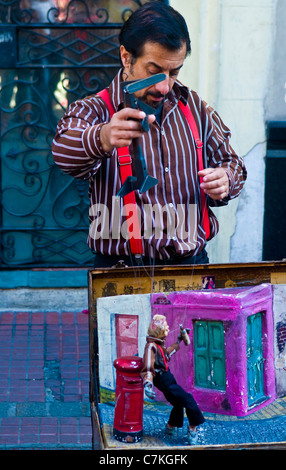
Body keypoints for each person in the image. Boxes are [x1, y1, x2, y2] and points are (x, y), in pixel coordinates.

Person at [52, 2, 247, 268]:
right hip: (120, 271)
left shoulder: (195, 108)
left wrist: (226, 179)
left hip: (191, 266)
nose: (164, 86)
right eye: (154, 71)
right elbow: (63, 151)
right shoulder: (95, 109)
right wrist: (104, 137)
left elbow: (234, 164)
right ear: (126, 57)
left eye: (174, 72)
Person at [141, 314, 205, 445]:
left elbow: (166, 355)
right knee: (188, 399)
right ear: (159, 330)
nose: (168, 330)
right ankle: (192, 428)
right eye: (165, 328)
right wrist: (148, 382)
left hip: (167, 378)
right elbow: (148, 366)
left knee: (178, 402)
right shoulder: (151, 347)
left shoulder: (158, 345)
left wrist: (179, 340)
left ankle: (170, 426)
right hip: (164, 380)